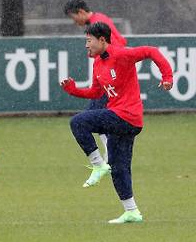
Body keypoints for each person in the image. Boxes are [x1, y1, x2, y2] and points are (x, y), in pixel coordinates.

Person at [60, 22, 173, 224]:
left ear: (102, 40)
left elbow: (151, 51)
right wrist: (72, 90)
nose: (86, 45)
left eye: (89, 40)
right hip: (121, 120)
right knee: (119, 167)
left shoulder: (121, 55)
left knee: (78, 122)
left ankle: (97, 164)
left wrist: (167, 77)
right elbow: (96, 93)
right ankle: (132, 212)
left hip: (126, 116)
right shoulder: (97, 64)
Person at [63, 0, 128, 163]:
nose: (74, 21)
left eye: (73, 17)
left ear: (81, 12)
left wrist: (110, 63)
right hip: (109, 76)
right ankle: (109, 157)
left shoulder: (98, 23)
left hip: (111, 78)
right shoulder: (99, 19)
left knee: (93, 117)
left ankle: (109, 158)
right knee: (96, 117)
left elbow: (119, 44)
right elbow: (121, 42)